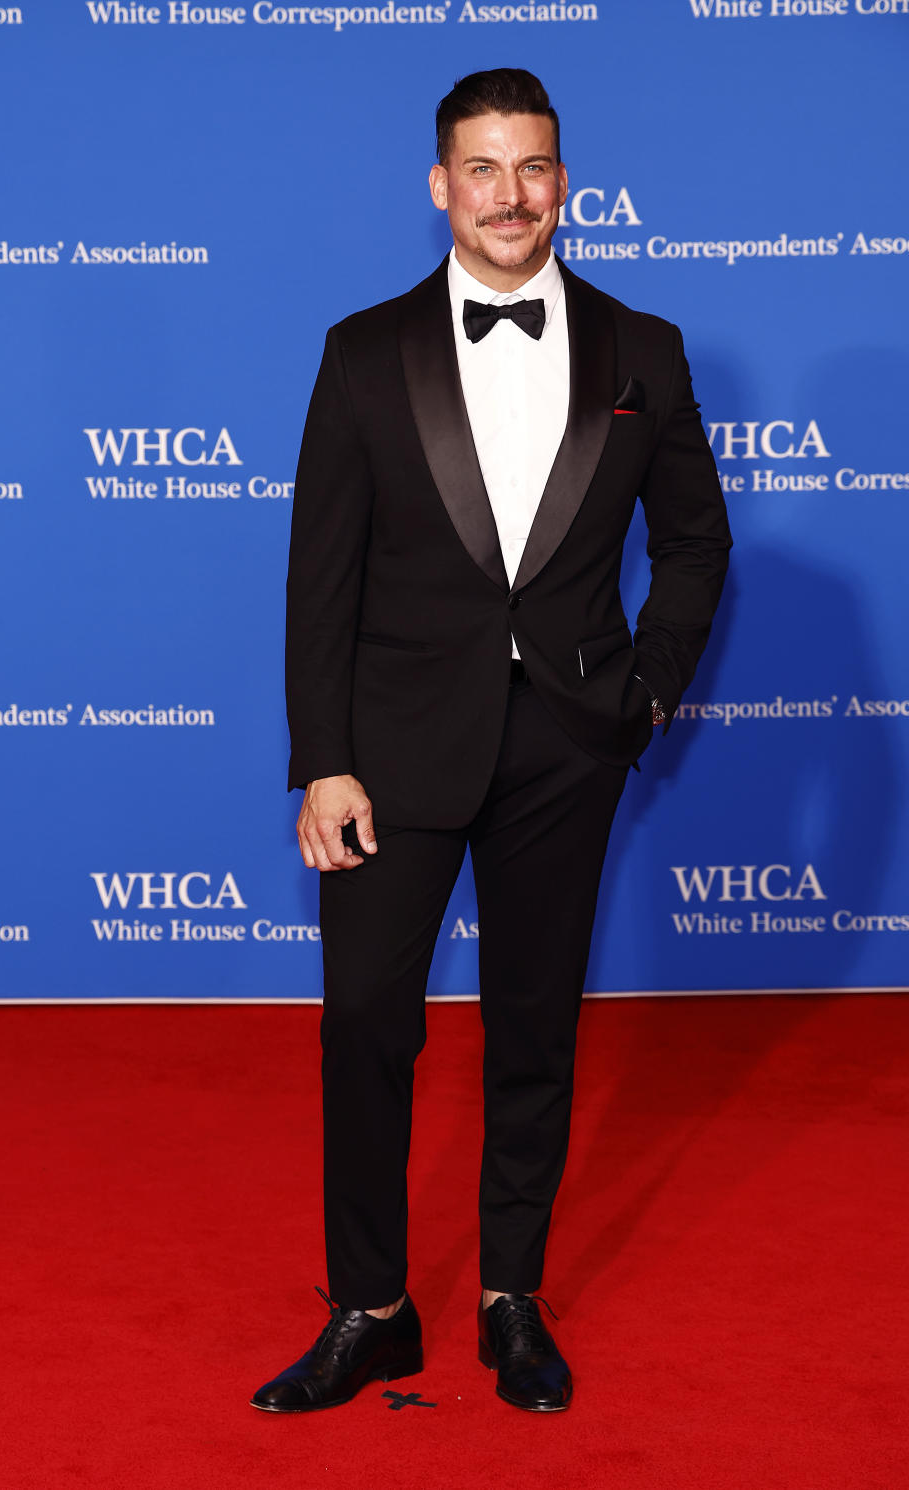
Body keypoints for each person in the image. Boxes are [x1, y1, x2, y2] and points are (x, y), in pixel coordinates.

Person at [252, 68, 731, 1415]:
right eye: (482, 168)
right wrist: (322, 756)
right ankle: (372, 1308)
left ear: (564, 182)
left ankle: (510, 1295)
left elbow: (697, 544)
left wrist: (641, 697)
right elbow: (319, 576)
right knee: (363, 1029)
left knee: (533, 1027)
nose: (509, 196)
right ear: (439, 185)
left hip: (567, 744)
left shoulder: (647, 349)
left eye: (533, 169)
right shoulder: (363, 350)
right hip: (390, 752)